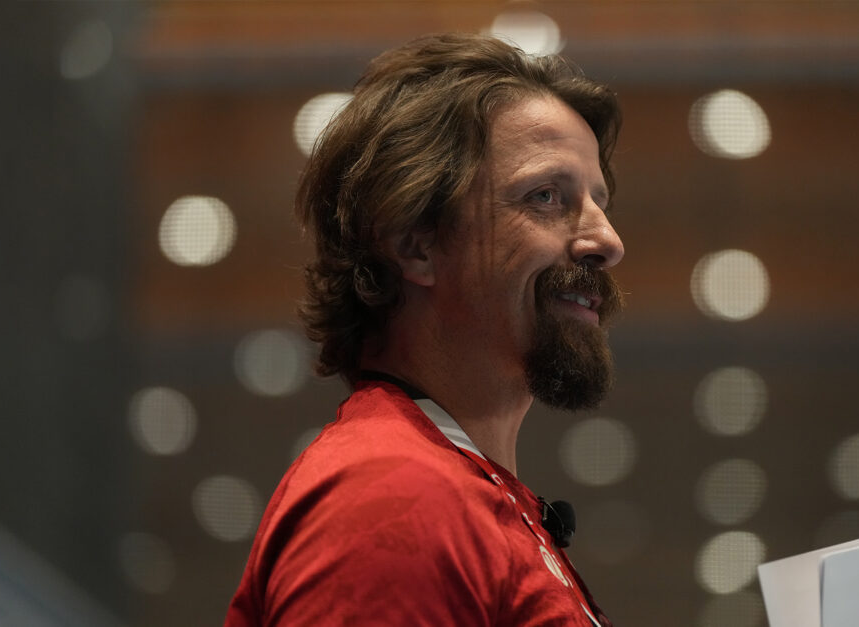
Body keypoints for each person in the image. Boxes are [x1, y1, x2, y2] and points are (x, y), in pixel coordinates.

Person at [226, 32, 625, 626]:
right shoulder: (389, 496)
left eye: (600, 201)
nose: (608, 242)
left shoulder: (452, 489)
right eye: (546, 196)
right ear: (417, 245)